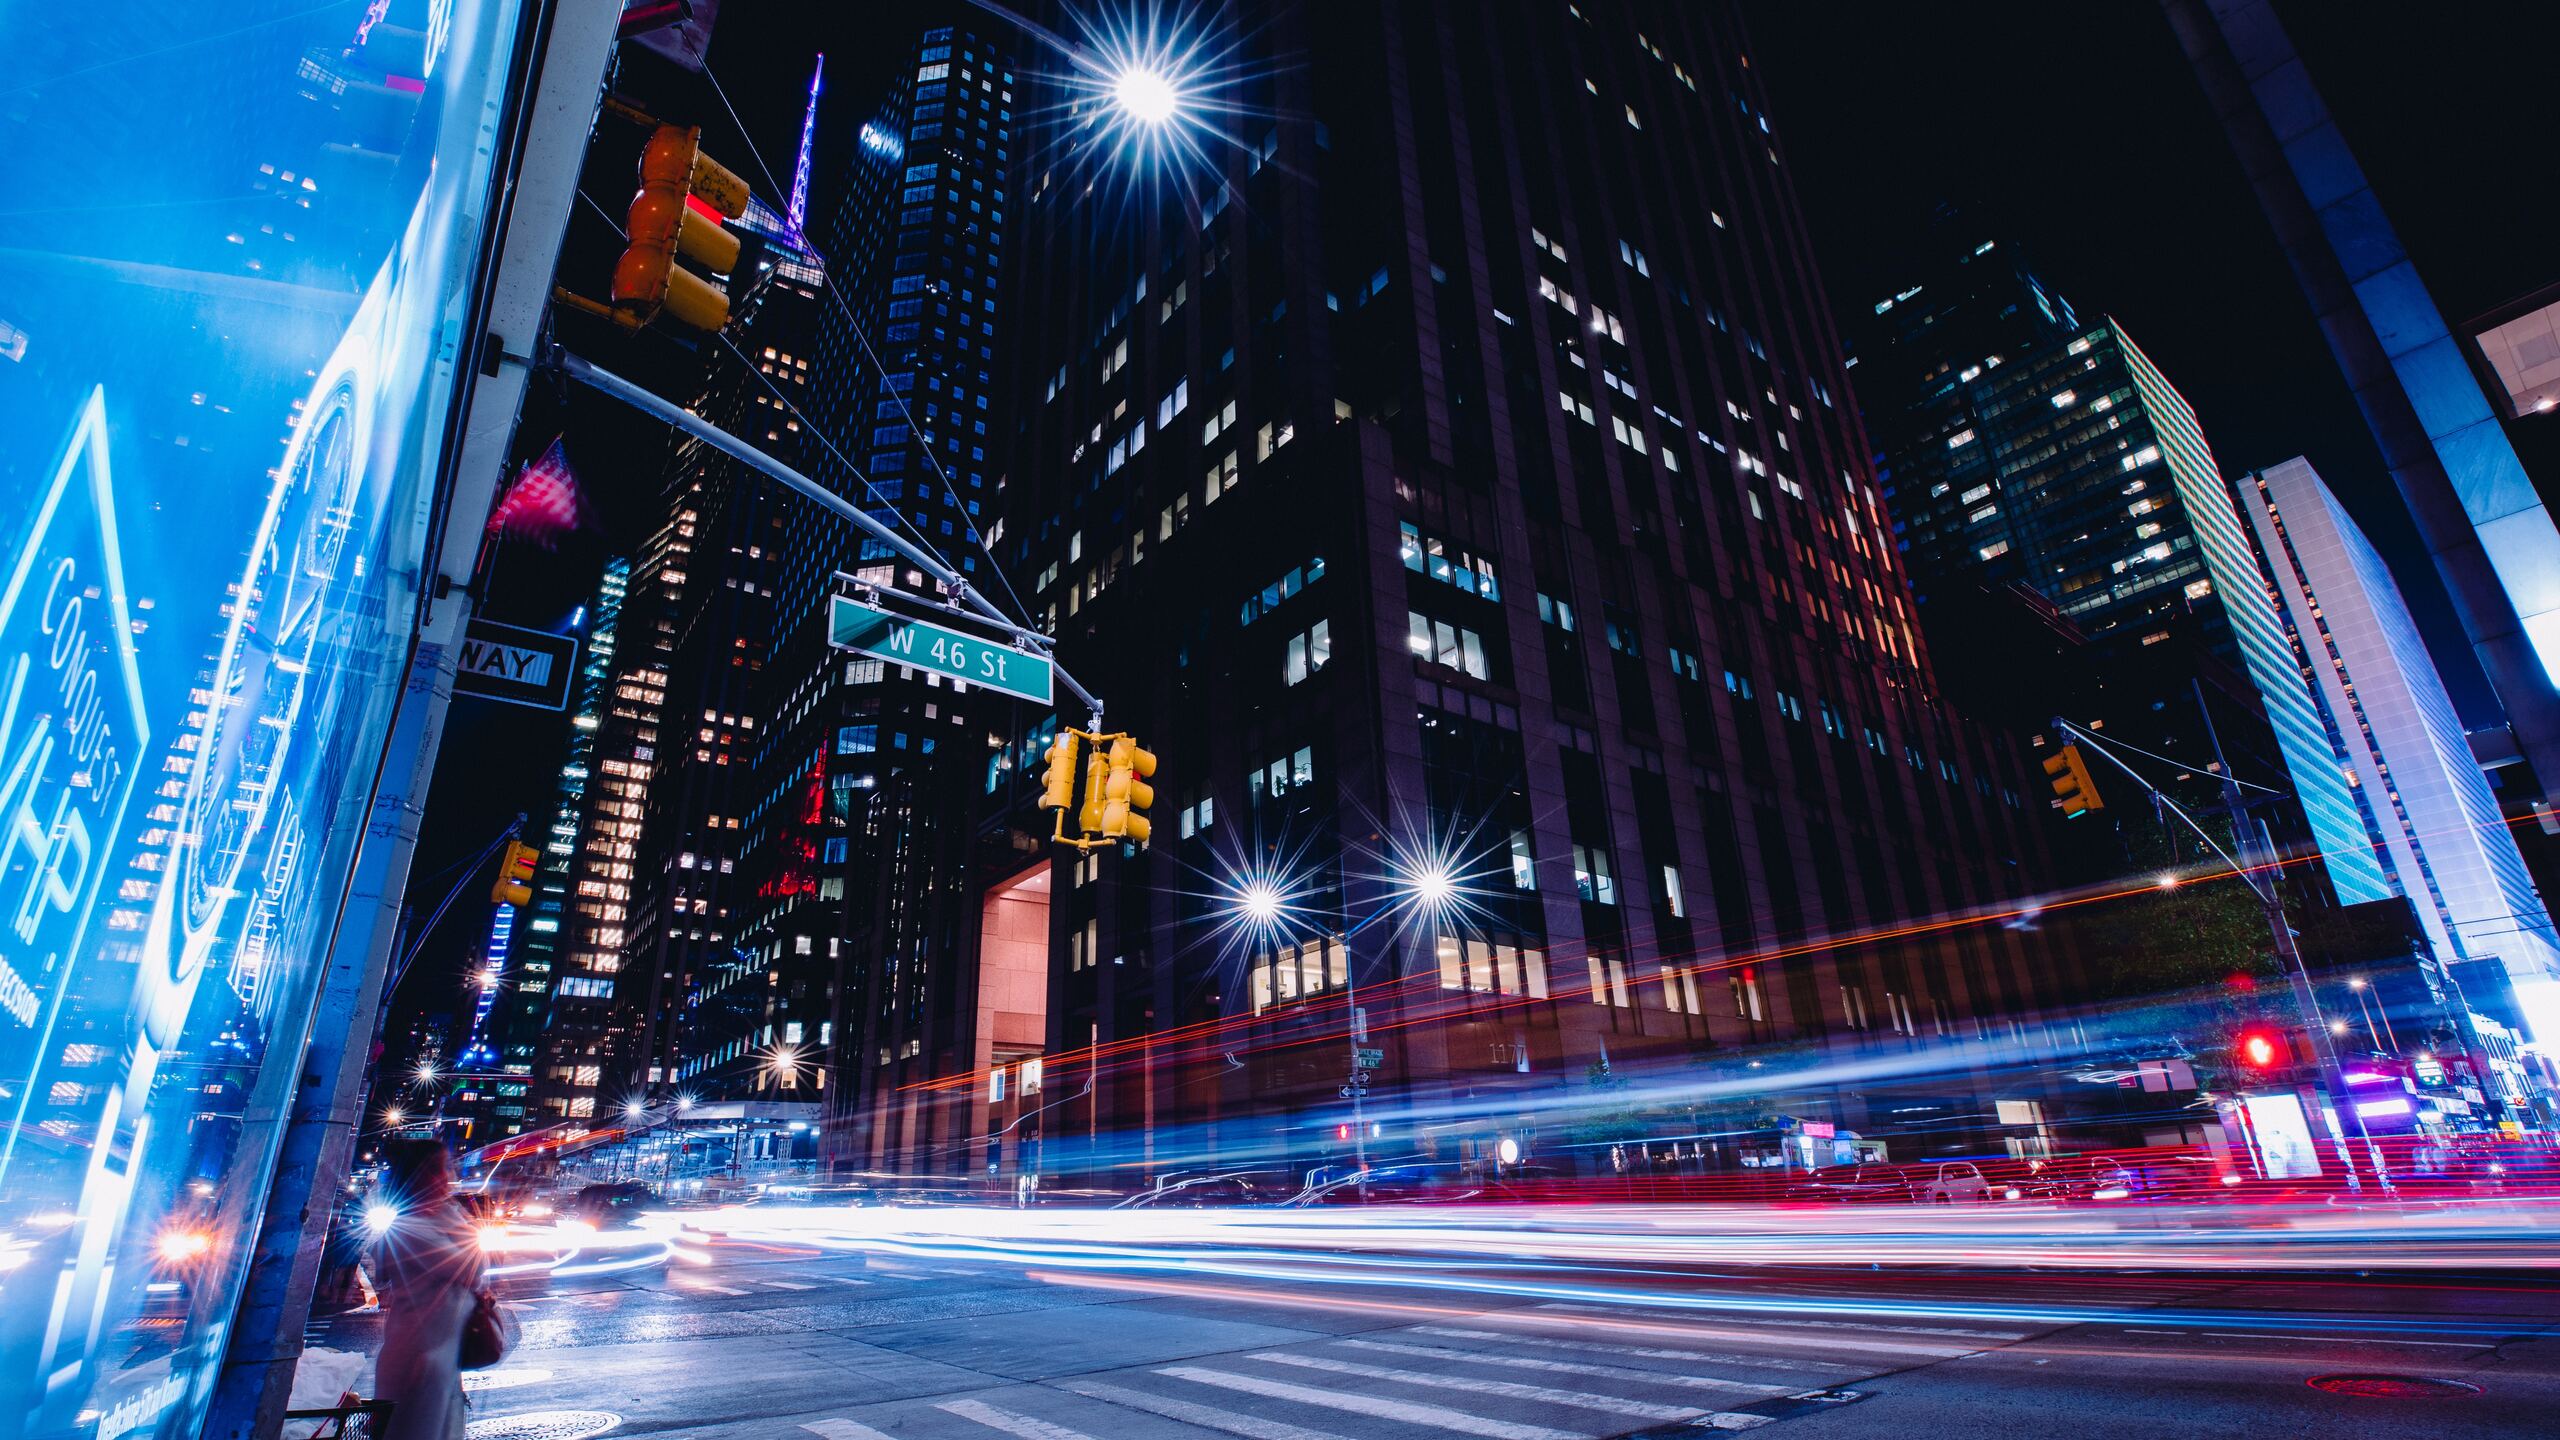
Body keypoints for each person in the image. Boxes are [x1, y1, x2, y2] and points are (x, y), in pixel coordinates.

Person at [370, 1139, 483, 1440]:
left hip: (440, 1353)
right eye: (436, 1170)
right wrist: (453, 1214)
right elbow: (472, 1268)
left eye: (446, 1168)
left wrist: (450, 1211)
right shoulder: (411, 1227)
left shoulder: (436, 1217)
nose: (446, 1177)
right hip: (418, 1358)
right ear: (414, 1176)